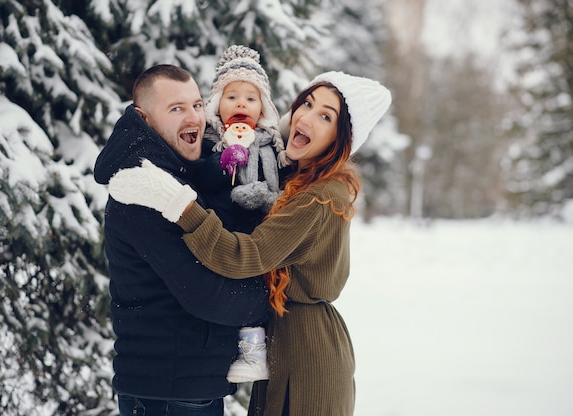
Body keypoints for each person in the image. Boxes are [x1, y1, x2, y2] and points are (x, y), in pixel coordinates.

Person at [107, 70, 392, 415]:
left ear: (339, 138)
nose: (306, 116)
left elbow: (246, 255)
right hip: (270, 353)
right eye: (306, 104)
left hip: (307, 354)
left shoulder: (319, 196)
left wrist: (179, 205)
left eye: (325, 116)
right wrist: (287, 133)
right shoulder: (297, 182)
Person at [93, 64, 272, 416]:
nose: (194, 118)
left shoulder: (181, 170)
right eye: (176, 109)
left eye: (196, 105)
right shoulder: (143, 188)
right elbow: (208, 296)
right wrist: (272, 299)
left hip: (186, 387)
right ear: (145, 119)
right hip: (167, 393)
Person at [196, 44, 291, 384]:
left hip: (257, 227)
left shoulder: (271, 142)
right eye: (232, 96)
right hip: (222, 224)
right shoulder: (210, 140)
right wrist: (223, 163)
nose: (240, 104)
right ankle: (220, 348)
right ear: (217, 103)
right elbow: (201, 178)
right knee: (222, 291)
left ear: (262, 107)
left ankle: (253, 355)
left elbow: (281, 174)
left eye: (250, 99)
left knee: (253, 295)